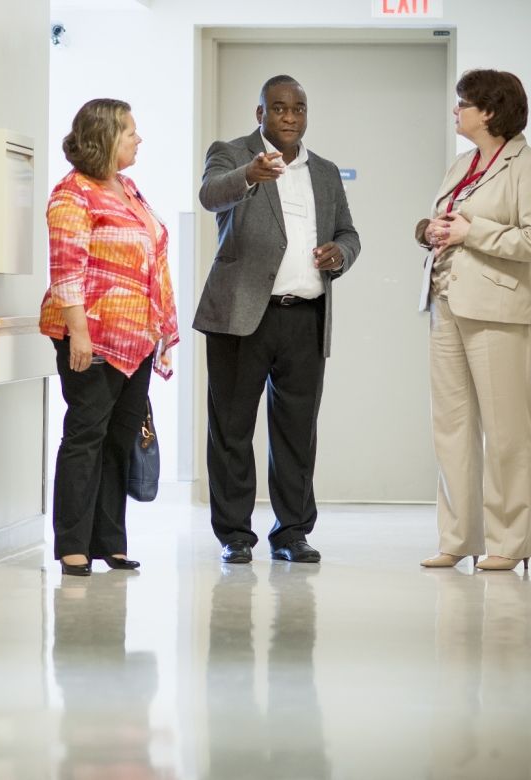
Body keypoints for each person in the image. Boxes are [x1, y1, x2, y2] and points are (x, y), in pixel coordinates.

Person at [195, 75, 360, 565]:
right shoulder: (231, 153)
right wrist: (250, 174)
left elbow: (348, 232)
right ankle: (235, 535)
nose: (290, 116)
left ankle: (292, 533)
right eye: (280, 107)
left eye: (299, 108)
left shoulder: (324, 172)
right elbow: (210, 195)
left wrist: (341, 254)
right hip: (241, 316)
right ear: (260, 113)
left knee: (296, 432)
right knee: (232, 430)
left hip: (305, 316)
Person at [415, 69, 531, 572]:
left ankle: (509, 542)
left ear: (490, 111)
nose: (456, 111)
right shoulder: (462, 164)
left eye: (464, 103)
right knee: (451, 428)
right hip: (446, 303)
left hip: (501, 309)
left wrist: (470, 233)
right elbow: (447, 222)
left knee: (506, 430)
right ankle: (458, 538)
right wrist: (430, 229)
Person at [40, 98, 179, 577]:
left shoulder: (128, 187)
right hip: (91, 338)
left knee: (120, 438)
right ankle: (72, 545)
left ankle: (110, 542)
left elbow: (152, 257)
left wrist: (159, 329)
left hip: (135, 339)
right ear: (105, 137)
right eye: (130, 132)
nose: (139, 139)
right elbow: (66, 271)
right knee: (86, 436)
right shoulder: (72, 194)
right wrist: (78, 335)